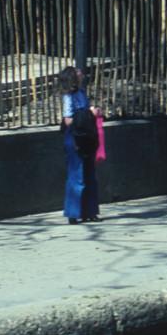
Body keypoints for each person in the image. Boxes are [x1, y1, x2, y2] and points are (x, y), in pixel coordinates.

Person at [59, 66, 101, 224]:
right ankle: (73, 212)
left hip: (87, 136)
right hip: (75, 137)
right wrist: (89, 114)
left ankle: (90, 211)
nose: (81, 73)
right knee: (77, 174)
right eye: (77, 72)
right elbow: (68, 120)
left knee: (90, 174)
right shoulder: (68, 96)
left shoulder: (82, 93)